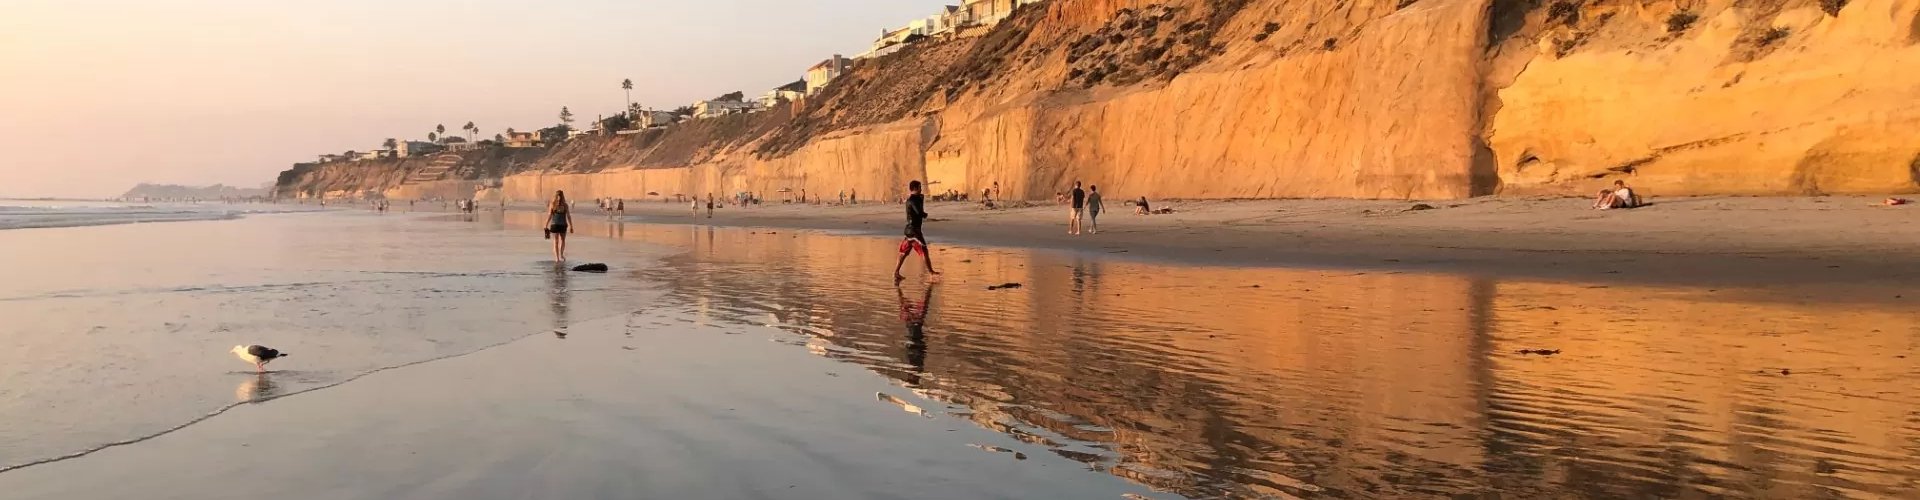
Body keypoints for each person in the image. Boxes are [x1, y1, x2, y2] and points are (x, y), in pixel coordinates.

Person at [894, 180, 940, 282]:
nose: (921, 189)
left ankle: (896, 273)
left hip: (909, 231)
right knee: (924, 251)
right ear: (916, 188)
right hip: (914, 231)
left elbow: (920, 201)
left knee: (903, 253)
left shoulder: (914, 199)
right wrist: (925, 214)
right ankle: (931, 273)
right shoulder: (913, 200)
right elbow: (919, 212)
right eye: (920, 187)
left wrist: (919, 198)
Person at [545, 190, 575, 262]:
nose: (559, 197)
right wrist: (545, 225)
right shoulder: (552, 204)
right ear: (556, 196)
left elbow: (568, 216)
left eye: (560, 196)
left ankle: (561, 254)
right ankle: (557, 258)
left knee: (563, 240)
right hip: (554, 224)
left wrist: (571, 226)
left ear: (562, 196)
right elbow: (549, 215)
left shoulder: (565, 205)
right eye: (558, 196)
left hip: (563, 225)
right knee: (556, 241)